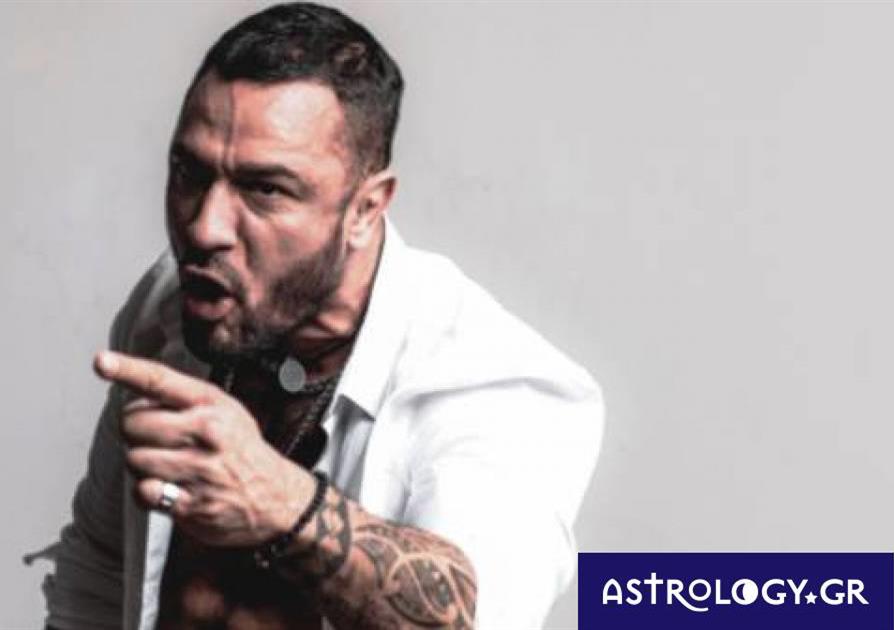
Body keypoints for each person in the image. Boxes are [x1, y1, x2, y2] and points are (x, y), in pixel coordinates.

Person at [39, 3, 603, 629]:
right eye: (189, 172)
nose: (204, 227)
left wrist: (282, 504)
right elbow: (100, 572)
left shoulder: (496, 381)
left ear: (366, 208)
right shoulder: (175, 304)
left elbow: (478, 616)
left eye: (265, 189)